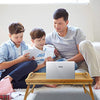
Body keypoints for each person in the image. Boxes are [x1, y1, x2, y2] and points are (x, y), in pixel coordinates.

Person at [0, 23, 38, 89]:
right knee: (32, 65)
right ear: (10, 35)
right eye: (16, 37)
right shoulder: (5, 46)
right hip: (6, 74)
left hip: (18, 74)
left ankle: (10, 84)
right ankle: (8, 79)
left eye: (21, 37)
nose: (19, 39)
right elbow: (1, 66)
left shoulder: (24, 45)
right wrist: (20, 60)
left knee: (35, 82)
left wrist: (29, 59)